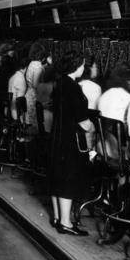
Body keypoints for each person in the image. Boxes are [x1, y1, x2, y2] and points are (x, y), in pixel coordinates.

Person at [48, 51, 92, 236]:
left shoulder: (60, 83)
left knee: (59, 176)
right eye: (82, 64)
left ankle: (58, 217)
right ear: (75, 66)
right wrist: (91, 127)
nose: (84, 68)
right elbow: (82, 120)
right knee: (68, 179)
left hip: (58, 137)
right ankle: (66, 223)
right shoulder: (73, 87)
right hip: (71, 139)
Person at [24, 42, 47, 125]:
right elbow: (35, 84)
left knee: (31, 121)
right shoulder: (38, 66)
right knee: (36, 123)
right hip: (35, 96)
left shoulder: (31, 63)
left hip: (29, 93)